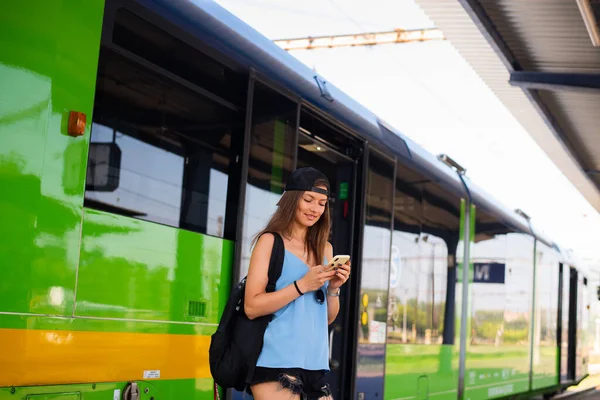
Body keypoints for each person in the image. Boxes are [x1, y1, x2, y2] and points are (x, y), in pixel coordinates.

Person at [244, 167, 352, 400]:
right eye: (309, 199)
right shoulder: (270, 242)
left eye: (322, 203)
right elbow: (251, 307)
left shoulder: (326, 249)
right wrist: (302, 284)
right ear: (293, 199)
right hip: (276, 363)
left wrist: (334, 289)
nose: (315, 209)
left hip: (314, 365)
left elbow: (326, 318)